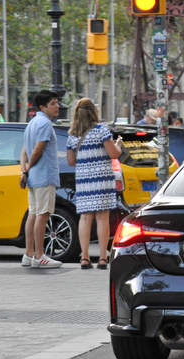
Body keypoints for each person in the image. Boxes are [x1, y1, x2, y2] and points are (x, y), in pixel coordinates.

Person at [66, 98, 123, 269]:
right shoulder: (101, 130)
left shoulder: (72, 134)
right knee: (102, 218)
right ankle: (103, 258)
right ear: (93, 112)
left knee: (85, 218)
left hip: (84, 180)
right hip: (102, 178)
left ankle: (84, 258)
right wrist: (119, 145)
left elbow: (70, 161)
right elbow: (113, 154)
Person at [19, 90, 63, 268]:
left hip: (34, 177)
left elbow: (24, 151)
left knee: (34, 214)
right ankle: (39, 256)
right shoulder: (45, 123)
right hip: (44, 175)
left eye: (57, 102)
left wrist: (25, 170)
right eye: (53, 103)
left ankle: (29, 254)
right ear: (43, 106)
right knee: (42, 216)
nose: (57, 106)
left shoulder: (32, 123)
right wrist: (30, 165)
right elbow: (37, 150)